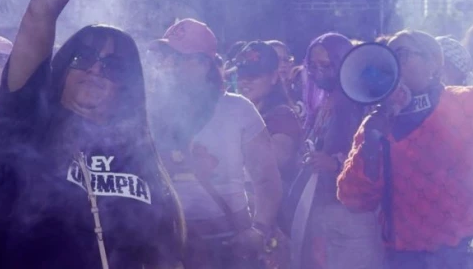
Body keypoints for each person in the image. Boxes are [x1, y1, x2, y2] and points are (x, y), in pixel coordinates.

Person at [0, 0, 185, 268]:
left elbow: (165, 254)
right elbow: (40, 13)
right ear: (62, 69)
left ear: (126, 89)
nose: (95, 69)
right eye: (85, 57)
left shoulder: (138, 155)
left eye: (112, 67)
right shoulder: (28, 126)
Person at [338, 30, 473, 269]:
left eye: (402, 54)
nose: (392, 63)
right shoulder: (377, 124)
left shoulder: (468, 102)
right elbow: (354, 201)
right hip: (405, 258)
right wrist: (370, 145)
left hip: (470, 251)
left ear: (433, 63)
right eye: (389, 54)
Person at [147, 21, 284, 269]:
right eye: (167, 57)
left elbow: (266, 178)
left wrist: (259, 229)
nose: (169, 65)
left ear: (203, 64)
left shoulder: (238, 109)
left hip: (227, 242)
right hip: (168, 240)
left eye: (179, 58)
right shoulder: (150, 110)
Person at [292, 32, 383, 269]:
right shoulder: (325, 100)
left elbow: (377, 158)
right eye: (313, 65)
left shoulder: (361, 100)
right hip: (322, 207)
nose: (318, 71)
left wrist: (335, 164)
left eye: (327, 64)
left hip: (353, 212)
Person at [233, 41, 301, 186]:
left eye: (252, 76)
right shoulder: (241, 111)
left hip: (270, 201)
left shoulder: (282, 116)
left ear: (274, 77)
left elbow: (273, 161)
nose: (244, 82)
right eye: (241, 75)